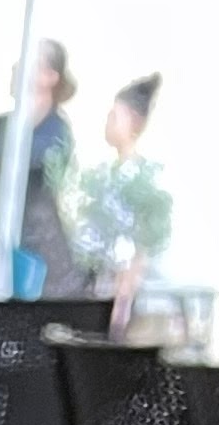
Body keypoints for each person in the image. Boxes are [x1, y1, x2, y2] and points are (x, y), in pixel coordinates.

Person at [70, 74, 173, 329]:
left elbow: (140, 249)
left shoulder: (142, 180)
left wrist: (123, 303)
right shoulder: (107, 176)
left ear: (135, 123)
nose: (108, 122)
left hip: (133, 297)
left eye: (115, 116)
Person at [19, 38, 86, 295]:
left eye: (31, 62)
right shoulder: (9, 126)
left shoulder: (56, 132)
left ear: (50, 77)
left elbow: (33, 166)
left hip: (45, 266)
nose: (19, 66)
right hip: (16, 252)